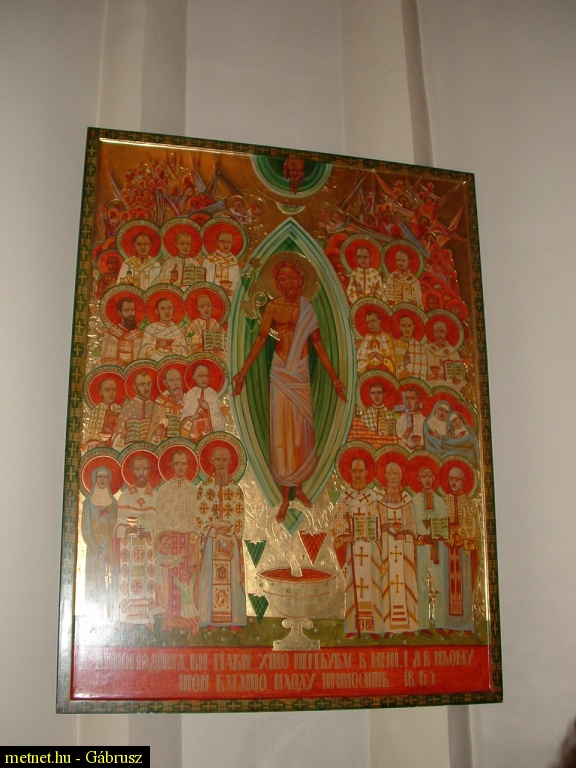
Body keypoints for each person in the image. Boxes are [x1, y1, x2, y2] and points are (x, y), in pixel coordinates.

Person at [232, 259, 346, 521]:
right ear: (277, 284)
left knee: (301, 432)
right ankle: (285, 497)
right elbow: (261, 339)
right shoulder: (273, 307)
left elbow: (318, 345)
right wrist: (243, 372)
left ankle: (300, 488)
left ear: (301, 281)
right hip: (281, 372)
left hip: (300, 372)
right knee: (282, 432)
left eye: (292, 277)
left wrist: (335, 379)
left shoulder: (307, 309)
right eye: (282, 279)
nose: (287, 283)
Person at [331, 456, 384, 637]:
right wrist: (346, 538)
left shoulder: (372, 497)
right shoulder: (344, 498)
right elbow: (337, 525)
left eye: (361, 470)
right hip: (351, 549)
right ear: (350, 473)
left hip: (370, 548)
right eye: (354, 470)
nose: (358, 474)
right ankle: (353, 627)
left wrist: (371, 535)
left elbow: (378, 524)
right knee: (353, 586)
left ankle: (374, 627)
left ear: (366, 473)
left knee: (372, 585)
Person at [196, 445, 246, 630]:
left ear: (230, 462)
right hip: (211, 542)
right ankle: (211, 620)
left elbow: (240, 518)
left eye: (225, 459)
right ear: (211, 462)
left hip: (231, 542)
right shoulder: (204, 488)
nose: (221, 463)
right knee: (210, 578)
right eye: (218, 459)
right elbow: (200, 517)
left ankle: (235, 620)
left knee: (233, 578)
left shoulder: (236, 489)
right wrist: (214, 533)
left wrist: (232, 537)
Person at [116, 454, 158, 629]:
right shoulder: (126, 496)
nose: (141, 473)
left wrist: (150, 532)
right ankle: (129, 618)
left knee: (149, 578)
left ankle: (148, 617)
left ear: (149, 471)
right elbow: (119, 524)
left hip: (148, 546)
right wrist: (129, 529)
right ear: (133, 471)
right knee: (128, 579)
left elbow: (159, 524)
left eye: (145, 469)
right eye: (138, 469)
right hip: (130, 546)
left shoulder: (155, 496)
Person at [377, 462, 418, 635]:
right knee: (386, 584)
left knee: (405, 584)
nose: (393, 477)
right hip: (386, 550)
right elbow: (375, 527)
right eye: (390, 473)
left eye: (396, 474)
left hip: (404, 551)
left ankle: (409, 625)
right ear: (385, 476)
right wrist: (384, 528)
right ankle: (387, 625)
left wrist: (405, 536)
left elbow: (413, 529)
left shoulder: (407, 500)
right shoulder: (379, 500)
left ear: (400, 477)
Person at [411, 466, 449, 632]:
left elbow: (444, 525)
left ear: (433, 478)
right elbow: (412, 524)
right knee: (421, 583)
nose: (427, 480)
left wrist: (436, 533)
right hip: (421, 547)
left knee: (438, 582)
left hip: (437, 547)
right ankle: (423, 624)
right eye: (423, 476)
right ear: (419, 479)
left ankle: (440, 622)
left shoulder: (439, 501)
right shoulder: (415, 501)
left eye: (429, 476)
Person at [442, 466, 476, 631]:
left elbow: (475, 532)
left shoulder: (469, 504)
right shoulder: (444, 501)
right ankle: (450, 624)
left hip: (463, 553)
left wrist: (462, 539)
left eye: (456, 479)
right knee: (448, 587)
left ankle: (466, 623)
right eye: (451, 479)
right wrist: (447, 536)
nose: (453, 482)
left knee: (464, 586)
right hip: (447, 550)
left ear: (463, 481)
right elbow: (439, 525)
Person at [81, 466, 117, 623]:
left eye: (105, 477)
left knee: (111, 580)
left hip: (110, 549)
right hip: (94, 551)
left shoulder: (113, 504)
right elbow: (85, 529)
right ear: (95, 479)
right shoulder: (88, 504)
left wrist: (110, 519)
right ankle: (94, 620)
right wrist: (97, 551)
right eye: (99, 477)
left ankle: (112, 618)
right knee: (95, 580)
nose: (102, 480)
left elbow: (116, 527)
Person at [181, 363, 226, 441]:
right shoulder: (190, 394)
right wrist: (192, 418)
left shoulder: (213, 394)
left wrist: (207, 409)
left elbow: (218, 417)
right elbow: (184, 418)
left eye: (207, 376)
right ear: (194, 378)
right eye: (200, 376)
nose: (204, 379)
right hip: (193, 435)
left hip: (210, 435)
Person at [113, 370, 157, 447]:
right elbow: (117, 435)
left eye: (149, 384)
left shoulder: (156, 407)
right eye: (142, 384)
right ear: (135, 387)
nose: (146, 387)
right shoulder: (127, 408)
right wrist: (122, 435)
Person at [140, 297, 188, 361]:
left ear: (173, 309)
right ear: (157, 311)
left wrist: (171, 348)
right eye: (162, 308)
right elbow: (144, 350)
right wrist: (158, 345)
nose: (167, 312)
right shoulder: (150, 329)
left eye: (169, 308)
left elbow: (184, 351)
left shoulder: (178, 330)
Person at [100, 296, 143, 367]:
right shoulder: (111, 333)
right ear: (119, 312)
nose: (131, 313)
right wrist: (120, 365)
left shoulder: (139, 334)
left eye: (132, 310)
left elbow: (142, 360)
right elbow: (105, 359)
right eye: (127, 310)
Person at [148, 367, 186, 442]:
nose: (176, 383)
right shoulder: (161, 401)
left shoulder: (188, 399)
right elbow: (153, 428)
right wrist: (160, 429)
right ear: (165, 383)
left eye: (178, 379)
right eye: (171, 380)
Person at [83, 377, 122, 449]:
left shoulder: (121, 410)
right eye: (107, 390)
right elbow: (90, 437)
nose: (111, 393)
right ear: (101, 392)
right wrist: (99, 442)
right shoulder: (96, 411)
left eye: (114, 390)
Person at [425, 320, 464, 389]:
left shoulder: (453, 352)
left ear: (446, 333)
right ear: (433, 332)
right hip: (431, 387)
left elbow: (460, 376)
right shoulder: (427, 350)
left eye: (442, 331)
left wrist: (456, 380)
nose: (439, 334)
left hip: (449, 388)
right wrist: (428, 377)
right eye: (436, 331)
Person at [187, 292, 226, 359]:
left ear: (212, 306)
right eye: (202, 306)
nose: (206, 309)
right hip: (199, 354)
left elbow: (223, 339)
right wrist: (198, 345)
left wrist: (218, 346)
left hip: (215, 355)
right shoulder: (194, 324)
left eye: (208, 305)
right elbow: (189, 338)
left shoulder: (215, 323)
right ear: (197, 308)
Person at [356, 309, 395, 374]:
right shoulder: (367, 338)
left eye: (373, 321)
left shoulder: (386, 337)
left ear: (379, 321)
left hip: (383, 372)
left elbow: (392, 364)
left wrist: (381, 358)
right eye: (368, 322)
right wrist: (368, 358)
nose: (370, 324)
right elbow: (359, 364)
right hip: (368, 372)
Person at [205, 231, 240, 296]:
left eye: (229, 242)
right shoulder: (210, 259)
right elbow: (208, 279)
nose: (226, 244)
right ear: (217, 242)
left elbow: (236, 279)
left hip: (230, 295)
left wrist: (231, 292)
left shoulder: (233, 259)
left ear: (232, 243)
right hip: (214, 293)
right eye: (223, 241)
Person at [393, 313, 427, 379]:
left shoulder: (420, 347)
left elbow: (423, 369)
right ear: (399, 327)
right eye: (403, 326)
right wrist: (403, 364)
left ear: (414, 327)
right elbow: (392, 367)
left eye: (409, 326)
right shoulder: (394, 345)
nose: (406, 329)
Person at [395, 386, 426, 451]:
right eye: (406, 399)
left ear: (419, 399)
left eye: (412, 399)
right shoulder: (401, 420)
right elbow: (397, 448)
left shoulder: (424, 420)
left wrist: (422, 445)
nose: (408, 402)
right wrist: (405, 436)